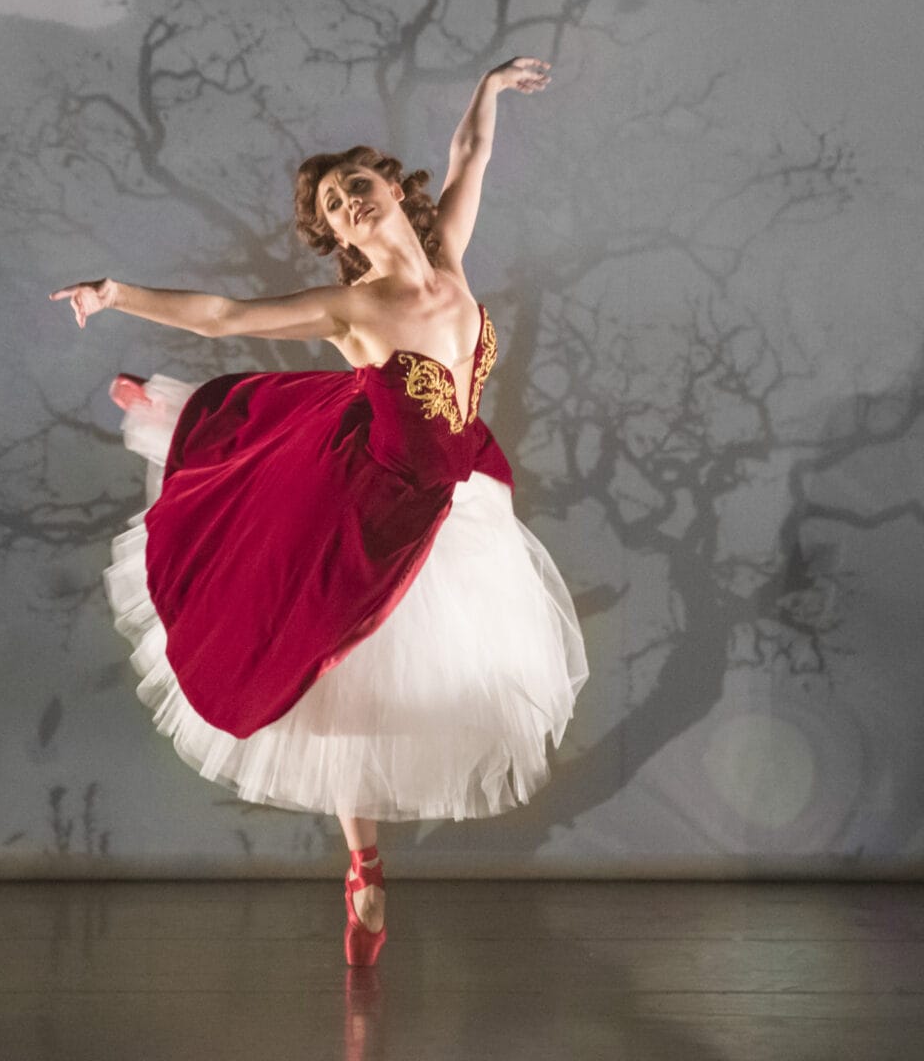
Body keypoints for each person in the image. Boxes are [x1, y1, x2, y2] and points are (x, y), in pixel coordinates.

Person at [49, 58, 588, 966]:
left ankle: (366, 865)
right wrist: (117, 293)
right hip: (367, 505)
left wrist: (489, 89)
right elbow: (223, 315)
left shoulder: (449, 257)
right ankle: (363, 864)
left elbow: (470, 160)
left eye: (356, 187)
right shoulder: (353, 305)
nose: (347, 206)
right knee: (335, 673)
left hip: (453, 497)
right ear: (336, 237)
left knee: (426, 674)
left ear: (392, 187)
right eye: (333, 208)